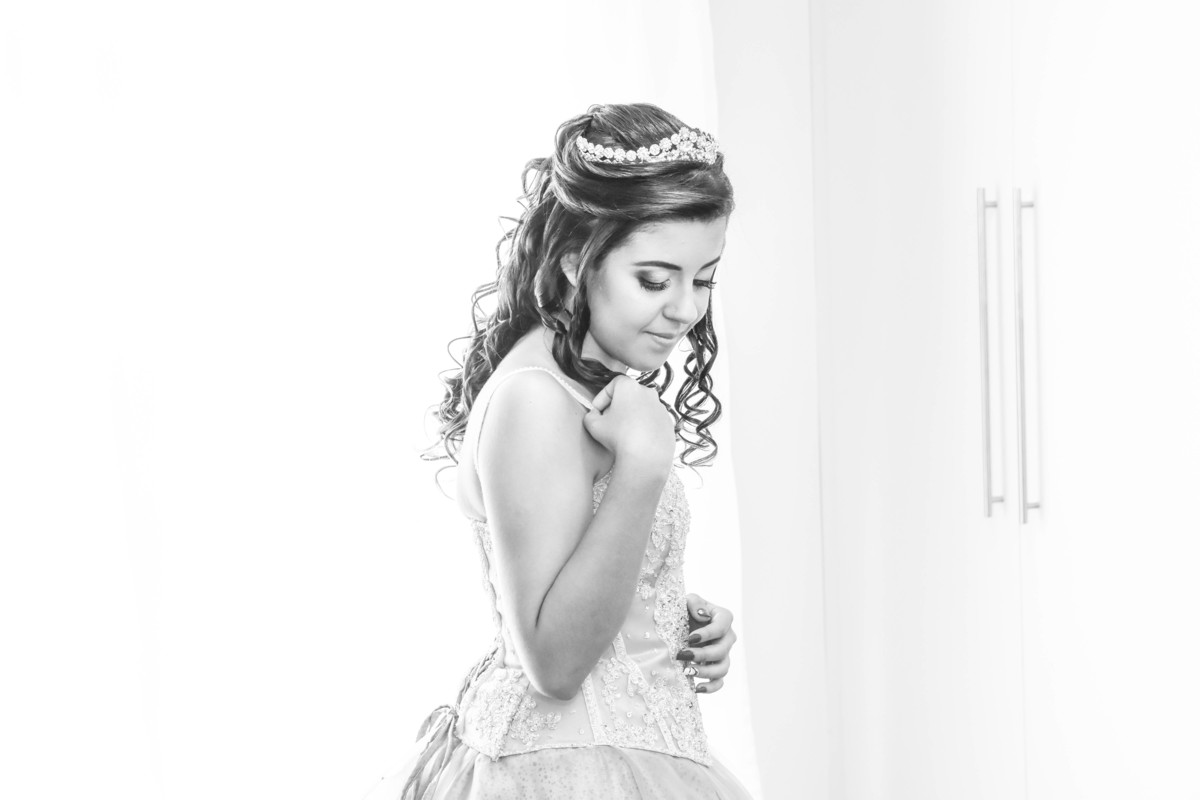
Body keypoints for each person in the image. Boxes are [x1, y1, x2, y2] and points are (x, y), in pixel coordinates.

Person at [365, 102, 754, 799]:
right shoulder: (535, 399)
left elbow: (576, 583)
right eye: (655, 280)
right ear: (578, 261)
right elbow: (554, 662)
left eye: (703, 279)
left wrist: (664, 619)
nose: (686, 309)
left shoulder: (579, 386)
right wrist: (642, 468)